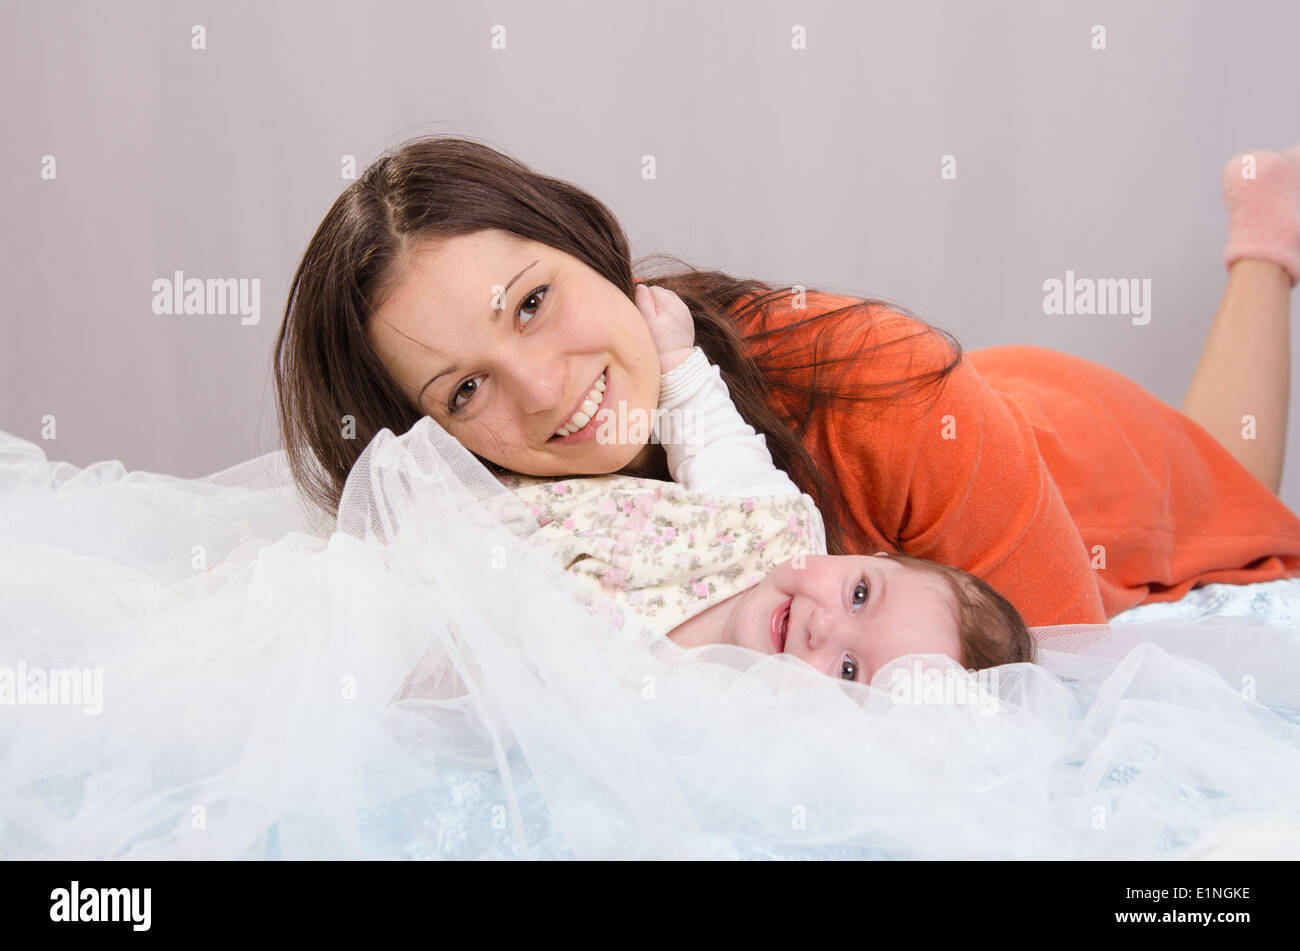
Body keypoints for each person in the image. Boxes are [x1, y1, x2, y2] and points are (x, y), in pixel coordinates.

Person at [273, 137, 1300, 627]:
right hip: (979, 420)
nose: (542, 392)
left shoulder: (873, 377)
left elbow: (1060, 681)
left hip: (1061, 448)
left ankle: (1267, 234)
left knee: (1218, 501)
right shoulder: (507, 532)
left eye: (532, 302)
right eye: (464, 392)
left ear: (590, 243)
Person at [496, 284, 1034, 683]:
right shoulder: (777, 528)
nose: (823, 627)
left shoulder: (736, 723)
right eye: (860, 594)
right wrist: (676, 359)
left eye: (848, 671)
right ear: (867, 557)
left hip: (497, 645)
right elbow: (714, 439)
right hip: (501, 521)